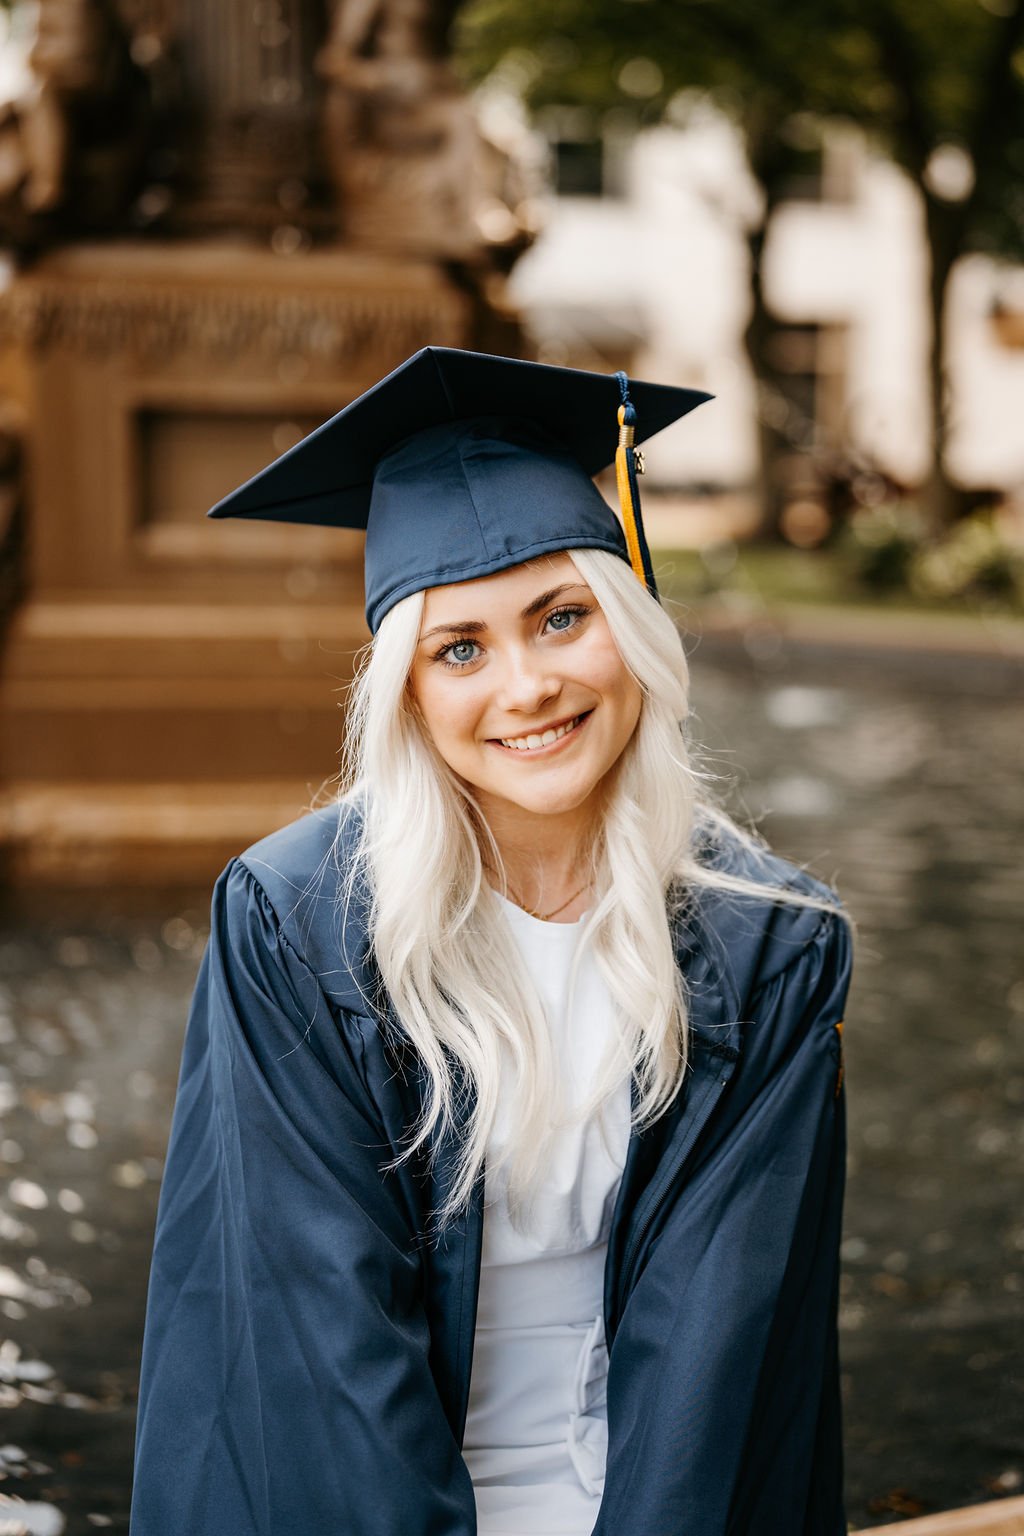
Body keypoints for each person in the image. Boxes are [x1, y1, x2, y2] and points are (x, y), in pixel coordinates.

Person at [129, 348, 852, 1536]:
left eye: (561, 618)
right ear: (408, 696)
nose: (526, 687)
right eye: (459, 647)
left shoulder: (765, 942)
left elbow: (719, 1341)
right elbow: (321, 1343)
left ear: (630, 631)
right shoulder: (297, 927)